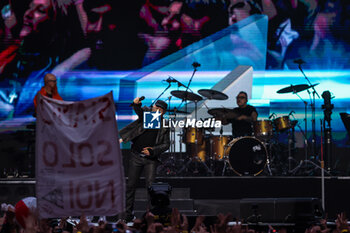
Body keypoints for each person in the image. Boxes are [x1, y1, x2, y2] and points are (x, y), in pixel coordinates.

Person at [119, 97, 170, 222]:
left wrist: (152, 151)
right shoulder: (147, 115)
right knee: (130, 186)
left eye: (158, 109)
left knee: (150, 188)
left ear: (162, 112)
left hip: (150, 160)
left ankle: (150, 216)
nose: (155, 110)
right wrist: (137, 104)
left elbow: (166, 144)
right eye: (154, 108)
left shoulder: (164, 125)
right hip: (136, 156)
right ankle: (127, 215)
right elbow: (140, 111)